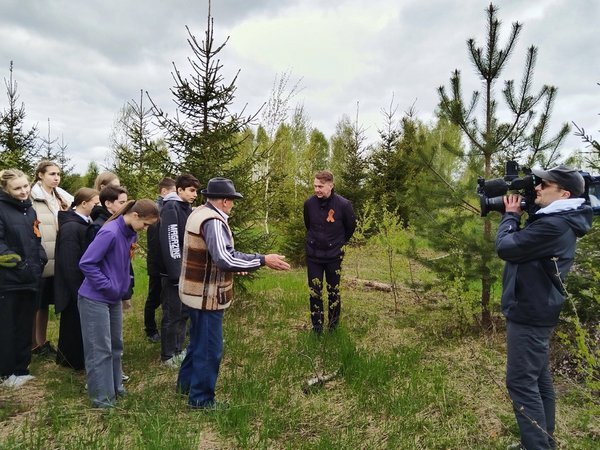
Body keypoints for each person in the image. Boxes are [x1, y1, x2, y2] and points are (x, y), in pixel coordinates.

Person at [496, 165, 593, 450]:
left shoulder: (554, 225)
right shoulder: (560, 219)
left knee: (520, 383)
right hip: (537, 307)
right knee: (538, 380)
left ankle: (536, 446)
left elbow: (506, 247)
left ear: (563, 193)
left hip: (530, 311)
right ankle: (542, 442)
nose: (537, 187)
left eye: (544, 185)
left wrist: (510, 216)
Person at [177, 177, 290, 409]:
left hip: (194, 291)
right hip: (207, 296)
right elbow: (225, 258)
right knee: (210, 349)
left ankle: (185, 386)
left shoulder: (198, 212)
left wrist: (240, 263)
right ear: (226, 201)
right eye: (233, 201)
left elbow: (219, 255)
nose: (233, 205)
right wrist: (263, 260)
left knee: (197, 343)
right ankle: (201, 400)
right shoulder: (214, 221)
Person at [78, 199, 159, 408]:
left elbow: (121, 264)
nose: (146, 229)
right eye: (146, 224)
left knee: (115, 346)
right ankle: (102, 400)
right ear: (135, 216)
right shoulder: (110, 232)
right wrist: (108, 286)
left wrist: (122, 288)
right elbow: (87, 263)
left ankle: (116, 390)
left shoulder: (129, 232)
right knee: (100, 349)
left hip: (113, 297)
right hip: (95, 298)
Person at [0, 169, 47, 388]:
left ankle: (21, 368)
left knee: (25, 324)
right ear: (6, 190)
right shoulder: (1, 209)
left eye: (26, 186)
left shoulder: (30, 210)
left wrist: (40, 258)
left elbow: (35, 239)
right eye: (17, 188)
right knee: (8, 326)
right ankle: (6, 372)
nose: (23, 191)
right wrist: (20, 264)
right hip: (8, 281)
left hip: (31, 278)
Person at [30, 161, 74, 356]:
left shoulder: (63, 198)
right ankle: (34, 343)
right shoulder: (33, 198)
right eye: (51, 174)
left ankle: (43, 341)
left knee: (48, 301)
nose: (56, 177)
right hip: (41, 256)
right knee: (37, 304)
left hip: (60, 255)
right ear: (40, 175)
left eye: (58, 174)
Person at [303, 170, 356, 333]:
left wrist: (337, 243)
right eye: (315, 186)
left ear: (331, 186)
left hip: (334, 256)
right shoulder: (309, 204)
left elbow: (350, 228)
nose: (317, 189)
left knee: (333, 291)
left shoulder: (344, 205)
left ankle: (333, 327)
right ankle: (317, 327)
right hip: (313, 256)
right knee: (315, 292)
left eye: (321, 186)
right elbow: (308, 224)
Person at [54, 188, 100, 370]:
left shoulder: (84, 223)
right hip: (74, 287)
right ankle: (71, 361)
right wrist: (77, 289)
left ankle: (74, 359)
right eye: (95, 203)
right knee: (72, 324)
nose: (98, 207)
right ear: (84, 203)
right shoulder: (71, 227)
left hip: (81, 284)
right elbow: (69, 262)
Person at [158, 174, 199, 366]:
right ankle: (167, 355)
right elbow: (172, 241)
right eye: (191, 190)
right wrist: (176, 273)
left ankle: (178, 349)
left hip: (185, 271)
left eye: (196, 191)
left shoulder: (187, 208)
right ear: (179, 190)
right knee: (172, 314)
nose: (195, 194)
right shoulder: (171, 208)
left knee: (183, 313)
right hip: (173, 274)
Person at [144, 177, 176, 342]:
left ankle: (168, 328)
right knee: (154, 296)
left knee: (166, 298)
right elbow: (156, 242)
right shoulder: (157, 211)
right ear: (163, 192)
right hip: (158, 263)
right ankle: (150, 330)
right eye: (173, 192)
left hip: (166, 263)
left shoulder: (171, 209)